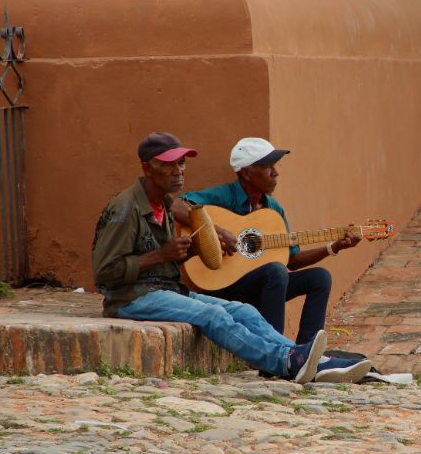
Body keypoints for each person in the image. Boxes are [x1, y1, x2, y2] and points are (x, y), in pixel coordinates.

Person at [92, 132, 367, 384]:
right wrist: (161, 254)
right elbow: (106, 274)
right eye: (168, 165)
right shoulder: (125, 209)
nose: (178, 172)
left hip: (167, 288)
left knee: (244, 311)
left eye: (182, 164)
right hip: (131, 298)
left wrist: (192, 250)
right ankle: (283, 362)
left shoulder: (163, 203)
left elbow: (290, 259)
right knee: (213, 314)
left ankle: (308, 359)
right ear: (146, 167)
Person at [173, 137, 361, 347]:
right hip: (219, 285)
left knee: (319, 277)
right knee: (275, 272)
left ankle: (305, 352)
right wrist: (217, 232)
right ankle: (275, 351)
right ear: (246, 172)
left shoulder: (273, 209)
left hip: (262, 288)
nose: (275, 173)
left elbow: (292, 259)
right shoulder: (224, 195)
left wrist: (332, 247)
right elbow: (176, 206)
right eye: (268, 167)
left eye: (275, 166)